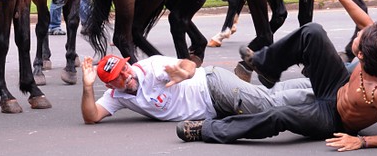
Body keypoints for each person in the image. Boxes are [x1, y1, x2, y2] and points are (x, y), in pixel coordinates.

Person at [176, 23, 377, 150]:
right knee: (313, 32)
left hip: (333, 118)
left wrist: (362, 141)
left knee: (279, 115)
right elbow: (366, 20)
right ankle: (267, 66)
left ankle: (208, 130)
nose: (358, 31)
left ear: (361, 54)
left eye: (360, 35)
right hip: (336, 86)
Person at [81, 54, 315, 124]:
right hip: (215, 101)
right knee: (270, 96)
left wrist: (187, 70)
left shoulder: (151, 69)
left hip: (213, 88)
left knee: (269, 105)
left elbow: (186, 65)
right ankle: (319, 83)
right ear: (110, 85)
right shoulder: (117, 96)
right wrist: (87, 87)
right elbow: (91, 116)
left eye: (125, 68)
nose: (126, 74)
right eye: (118, 76)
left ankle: (326, 92)